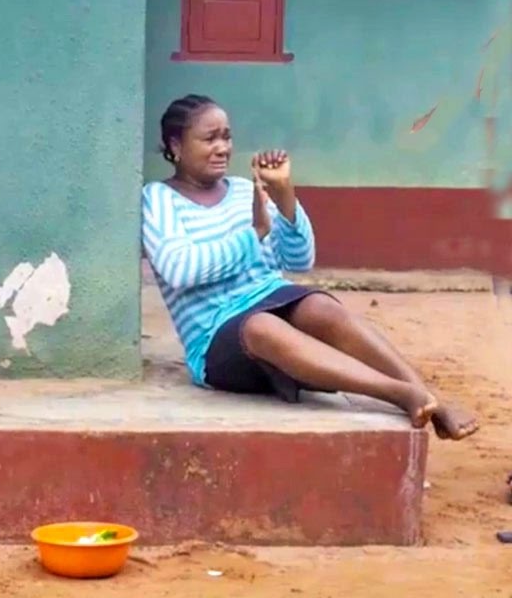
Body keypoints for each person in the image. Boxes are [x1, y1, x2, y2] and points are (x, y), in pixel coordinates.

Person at [141, 94, 478, 441]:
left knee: (319, 305)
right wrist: (252, 235)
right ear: (175, 145)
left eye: (227, 137)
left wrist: (284, 195)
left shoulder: (244, 191)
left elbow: (298, 261)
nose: (223, 147)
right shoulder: (159, 199)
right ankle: (399, 393)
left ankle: (426, 395)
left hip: (269, 298)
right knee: (261, 326)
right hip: (217, 338)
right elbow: (178, 269)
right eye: (209, 138)